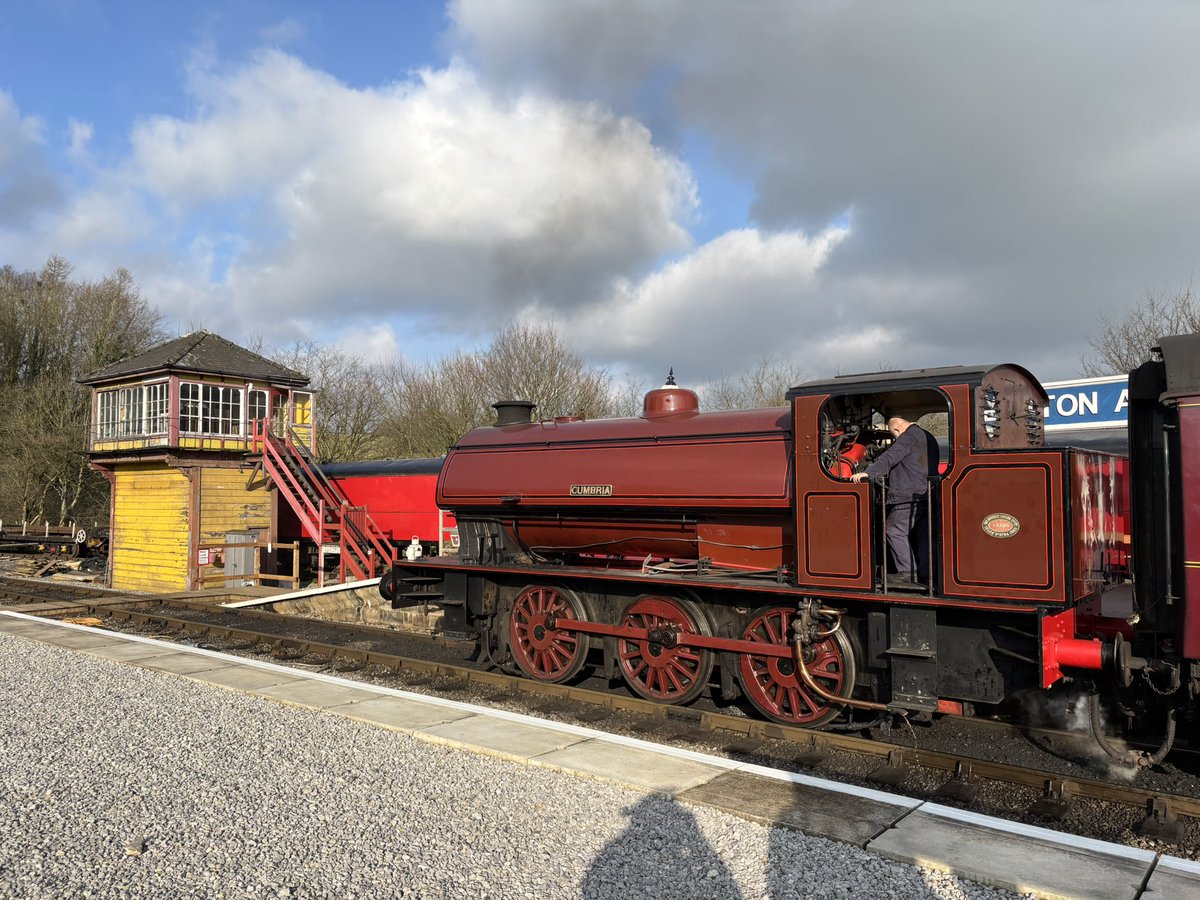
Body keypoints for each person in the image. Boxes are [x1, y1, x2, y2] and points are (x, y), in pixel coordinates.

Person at [850, 415, 939, 584]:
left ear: (897, 430)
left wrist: (869, 473)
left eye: (893, 436)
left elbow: (890, 457)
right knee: (923, 535)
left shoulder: (907, 437)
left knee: (894, 530)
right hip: (926, 494)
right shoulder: (927, 436)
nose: (895, 439)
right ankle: (926, 572)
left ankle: (907, 571)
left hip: (907, 494)